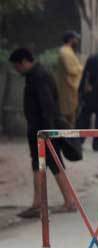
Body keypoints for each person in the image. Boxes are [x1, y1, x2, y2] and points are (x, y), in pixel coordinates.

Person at [8, 48, 77, 218]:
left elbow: (47, 107)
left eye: (17, 66)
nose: (17, 70)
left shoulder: (39, 76)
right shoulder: (35, 75)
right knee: (40, 164)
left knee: (53, 163)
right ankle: (39, 203)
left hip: (44, 131)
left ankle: (68, 202)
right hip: (39, 130)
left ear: (24, 62)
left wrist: (47, 133)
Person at [55, 31, 83, 127]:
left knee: (71, 115)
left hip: (70, 88)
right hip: (68, 88)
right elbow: (71, 69)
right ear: (71, 39)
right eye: (75, 39)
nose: (77, 41)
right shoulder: (65, 52)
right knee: (69, 115)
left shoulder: (68, 51)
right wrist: (81, 68)